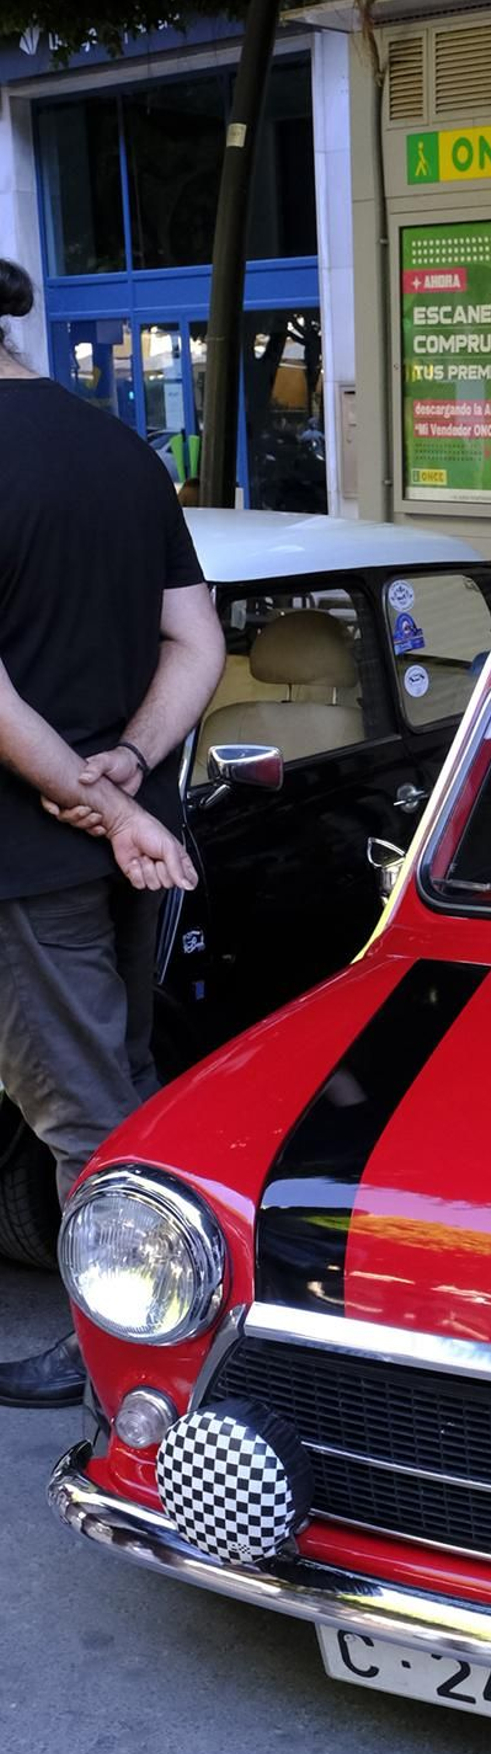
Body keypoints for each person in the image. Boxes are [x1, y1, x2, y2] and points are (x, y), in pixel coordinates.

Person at [0, 259, 224, 1407]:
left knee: (81, 1119)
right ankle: (126, 1354)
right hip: (133, 847)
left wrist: (95, 797)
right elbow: (198, 641)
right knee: (121, 1092)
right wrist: (130, 768)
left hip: (30, 869)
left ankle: (124, 1381)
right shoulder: (124, 453)